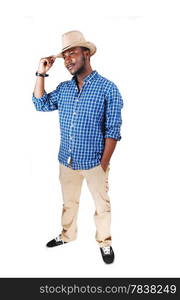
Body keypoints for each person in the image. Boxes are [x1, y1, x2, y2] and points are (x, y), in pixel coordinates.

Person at [32, 30, 123, 264]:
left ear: (87, 54)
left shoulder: (108, 88)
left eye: (72, 53)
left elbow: (113, 130)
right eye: (65, 56)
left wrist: (103, 164)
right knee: (69, 203)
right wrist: (41, 73)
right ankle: (67, 235)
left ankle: (105, 242)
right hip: (67, 160)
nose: (68, 60)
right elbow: (40, 104)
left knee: (102, 207)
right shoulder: (63, 89)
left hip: (95, 162)